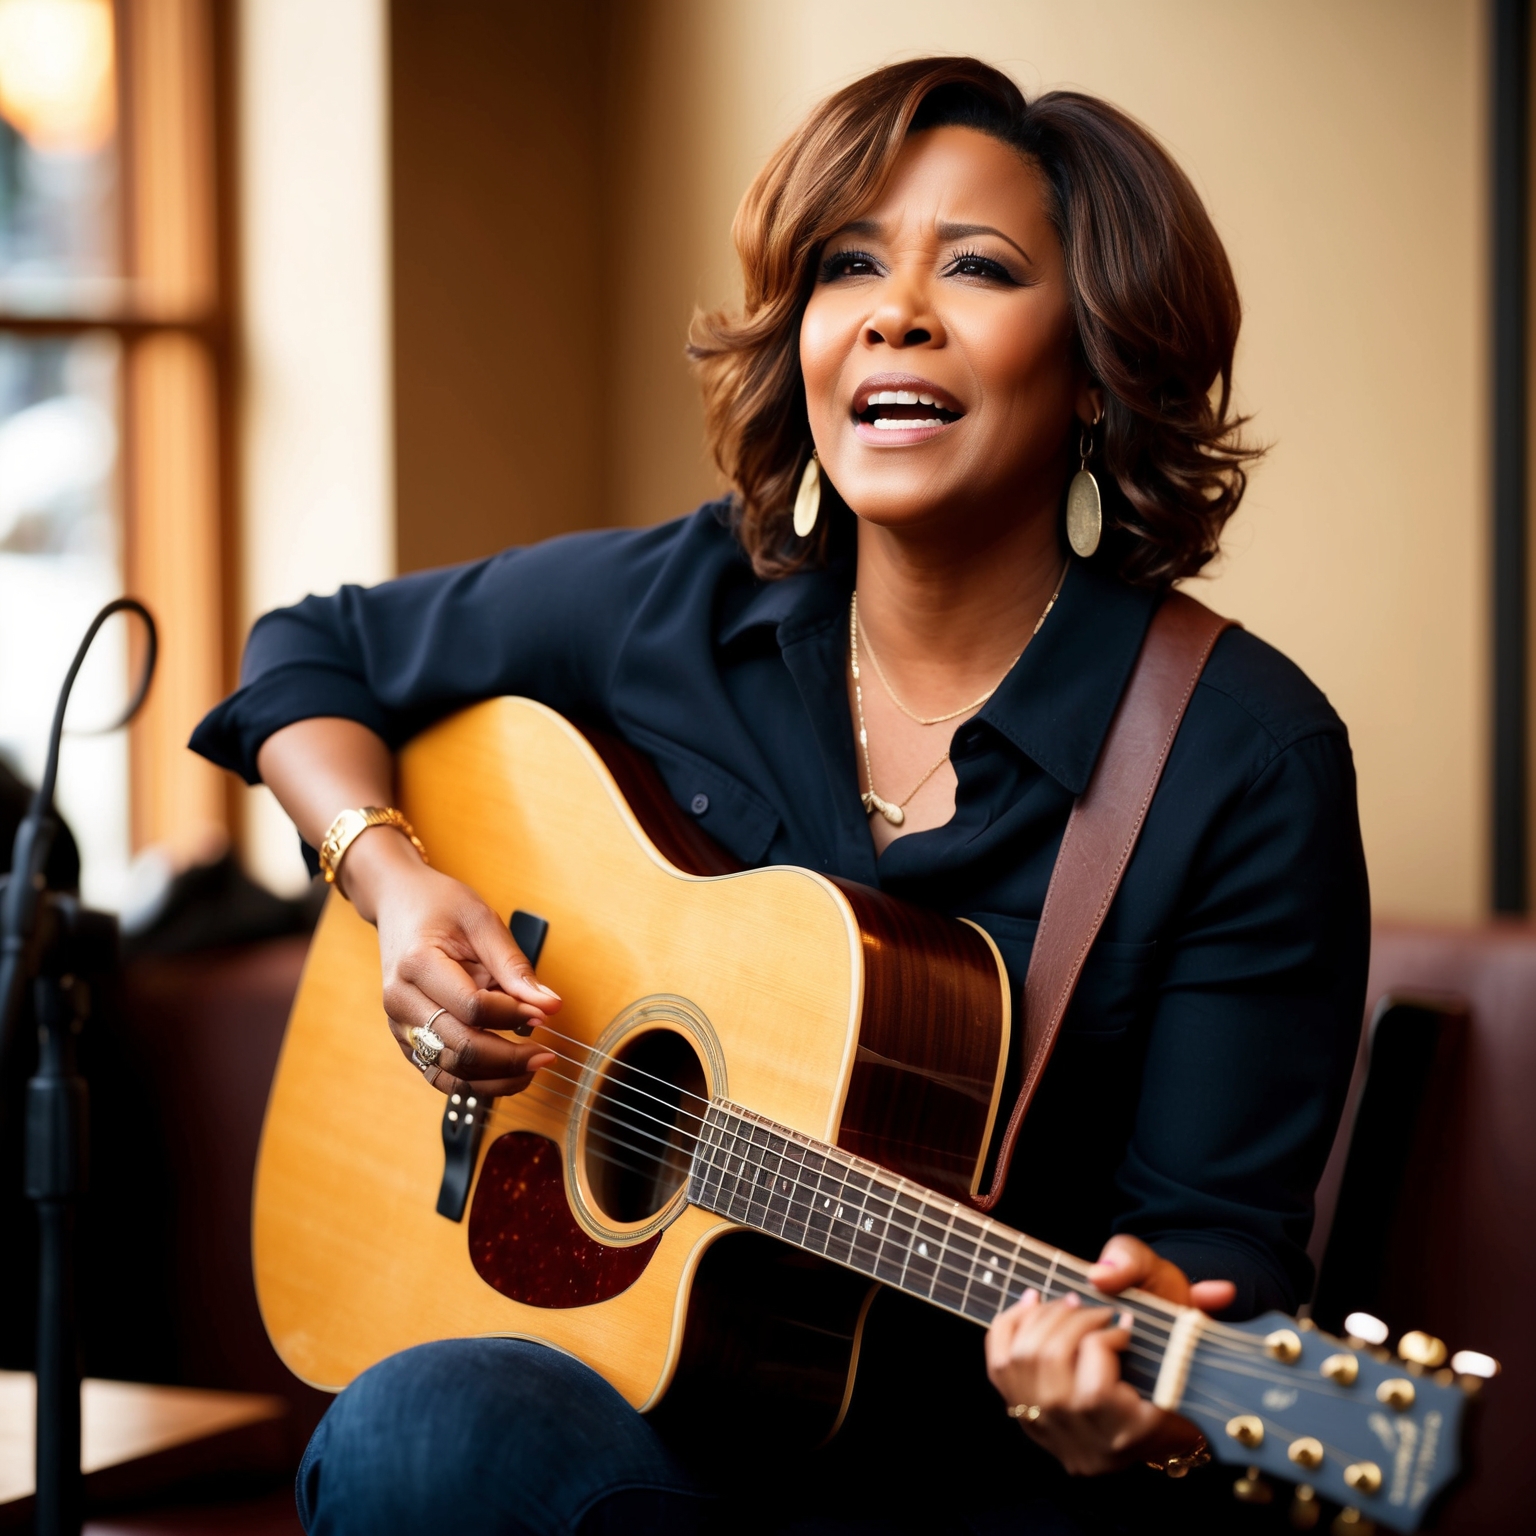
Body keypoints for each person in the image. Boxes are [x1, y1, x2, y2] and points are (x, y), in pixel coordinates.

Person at [193, 57, 1369, 1536]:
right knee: (424, 1432)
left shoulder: (1239, 757)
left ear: (1094, 366)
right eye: (849, 265)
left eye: (982, 269)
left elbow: (1220, 1251)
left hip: (982, 1486)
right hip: (663, 1447)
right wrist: (395, 880)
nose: (895, 310)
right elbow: (312, 653)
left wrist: (1130, 1393)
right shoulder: (683, 604)